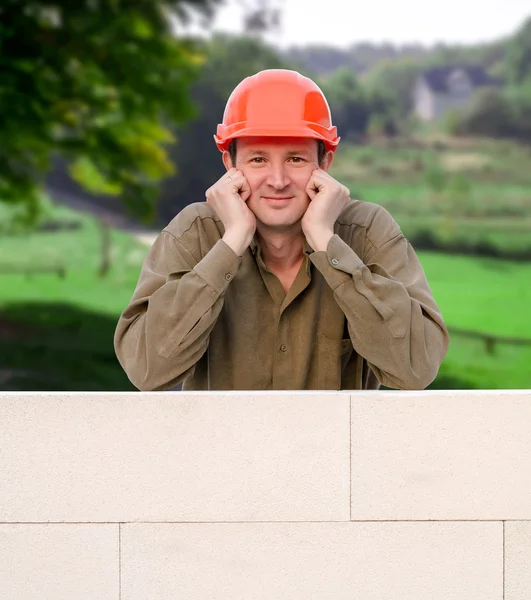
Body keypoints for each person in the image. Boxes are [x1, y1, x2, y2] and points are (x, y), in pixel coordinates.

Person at [114, 69, 449, 391]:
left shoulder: (367, 231)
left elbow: (414, 370)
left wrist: (326, 242)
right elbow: (148, 371)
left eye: (296, 159)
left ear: (324, 163)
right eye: (258, 159)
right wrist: (230, 244)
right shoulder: (195, 232)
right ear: (230, 165)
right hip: (222, 449)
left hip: (332, 448)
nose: (277, 181)